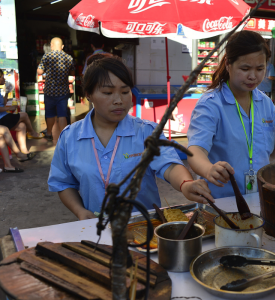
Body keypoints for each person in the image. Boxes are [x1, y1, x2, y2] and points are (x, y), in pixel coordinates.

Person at [48, 57, 213, 220]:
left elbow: (169, 166)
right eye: (108, 92)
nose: (119, 100)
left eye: (125, 92)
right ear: (89, 94)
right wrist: (79, 211)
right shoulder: (70, 137)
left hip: (145, 228)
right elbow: (64, 183)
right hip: (96, 230)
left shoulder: (146, 132)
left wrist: (186, 184)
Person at [187, 31, 275, 199]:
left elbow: (270, 154)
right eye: (245, 68)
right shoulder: (211, 104)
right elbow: (195, 150)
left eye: (260, 69)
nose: (253, 76)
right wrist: (208, 169)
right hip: (221, 202)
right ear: (228, 64)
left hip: (258, 197)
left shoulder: (265, 103)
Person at [37, 37, 75, 142]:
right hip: (63, 91)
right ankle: (63, 137)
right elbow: (72, 73)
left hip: (50, 91)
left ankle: (49, 134)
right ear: (62, 46)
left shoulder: (47, 56)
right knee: (62, 114)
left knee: (50, 114)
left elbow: (40, 71)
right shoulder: (69, 58)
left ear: (51, 45)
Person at [0, 71, 40, 161]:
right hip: (1, 119)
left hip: (4, 116)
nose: (4, 79)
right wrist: (9, 108)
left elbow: (3, 103)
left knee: (22, 126)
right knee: (24, 115)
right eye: (2, 77)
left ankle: (24, 152)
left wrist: (6, 92)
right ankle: (32, 133)